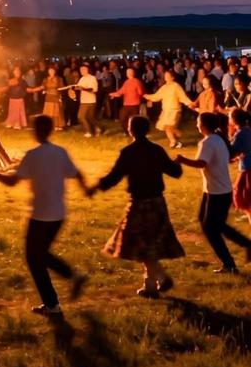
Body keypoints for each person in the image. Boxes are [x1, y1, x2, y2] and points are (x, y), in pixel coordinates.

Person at [0, 115, 88, 316]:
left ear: (36, 131)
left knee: (35, 258)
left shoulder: (33, 155)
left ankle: (56, 301)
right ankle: (67, 284)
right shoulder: (60, 152)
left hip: (41, 215)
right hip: (58, 214)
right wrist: (87, 190)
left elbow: (12, 182)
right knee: (40, 255)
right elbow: (78, 174)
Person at [89, 115, 184, 297]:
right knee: (148, 244)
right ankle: (150, 286)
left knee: (140, 243)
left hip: (139, 203)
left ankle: (162, 278)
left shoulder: (128, 152)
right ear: (148, 130)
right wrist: (176, 164)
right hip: (157, 202)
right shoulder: (156, 150)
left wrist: (96, 187)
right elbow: (175, 173)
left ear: (130, 130)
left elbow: (114, 177)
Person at [177, 112, 251, 274]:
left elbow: (201, 163)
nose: (196, 124)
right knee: (210, 223)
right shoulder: (218, 138)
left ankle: (230, 264)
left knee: (211, 228)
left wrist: (182, 160)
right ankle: (244, 246)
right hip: (216, 189)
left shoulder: (208, 142)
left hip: (217, 192)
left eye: (197, 121)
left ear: (203, 125)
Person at [144, 70, 193, 149]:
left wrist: (190, 103)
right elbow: (157, 96)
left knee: (170, 126)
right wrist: (147, 96)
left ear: (172, 77)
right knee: (166, 127)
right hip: (166, 110)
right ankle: (173, 142)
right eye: (165, 76)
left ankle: (177, 137)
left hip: (174, 110)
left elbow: (183, 97)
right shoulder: (164, 87)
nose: (166, 77)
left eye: (168, 76)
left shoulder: (176, 86)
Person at [229, 108, 251, 225]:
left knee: (244, 197)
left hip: (247, 168)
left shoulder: (240, 134)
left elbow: (231, 151)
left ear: (233, 120)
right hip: (246, 165)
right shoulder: (248, 130)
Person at [110, 68, 145, 136]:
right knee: (122, 118)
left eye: (130, 72)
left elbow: (141, 92)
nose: (128, 74)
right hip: (126, 104)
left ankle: (135, 133)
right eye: (127, 72)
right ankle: (127, 131)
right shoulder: (126, 82)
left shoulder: (137, 82)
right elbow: (121, 91)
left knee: (133, 120)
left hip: (135, 104)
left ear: (133, 73)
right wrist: (114, 94)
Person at [72, 64, 101, 138]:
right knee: (88, 118)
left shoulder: (92, 78)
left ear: (87, 70)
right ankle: (98, 128)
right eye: (81, 70)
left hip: (91, 101)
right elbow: (78, 87)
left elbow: (94, 89)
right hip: (83, 101)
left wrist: (83, 89)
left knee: (82, 117)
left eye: (83, 69)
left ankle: (89, 132)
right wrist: (73, 88)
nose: (82, 71)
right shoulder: (82, 79)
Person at [34, 65, 65, 130]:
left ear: (54, 71)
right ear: (48, 71)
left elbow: (62, 87)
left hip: (56, 96)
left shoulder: (59, 79)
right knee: (48, 112)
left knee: (56, 112)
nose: (51, 72)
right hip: (48, 97)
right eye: (50, 71)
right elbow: (43, 86)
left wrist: (60, 94)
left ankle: (57, 125)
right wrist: (37, 89)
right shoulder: (46, 79)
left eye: (52, 71)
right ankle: (48, 125)